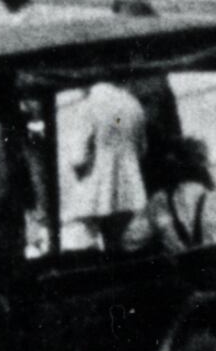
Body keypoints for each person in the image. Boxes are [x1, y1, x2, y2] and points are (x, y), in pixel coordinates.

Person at [64, 77, 151, 250]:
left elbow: (78, 157)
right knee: (128, 244)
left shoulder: (88, 106)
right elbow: (143, 149)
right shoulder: (132, 103)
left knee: (104, 247)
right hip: (132, 188)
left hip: (100, 192)